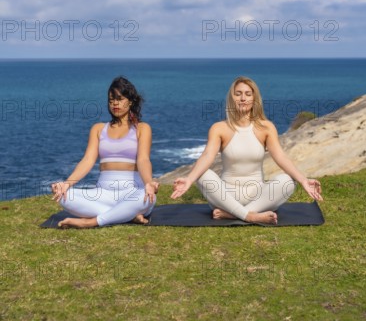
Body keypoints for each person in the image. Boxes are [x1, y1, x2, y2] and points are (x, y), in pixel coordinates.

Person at [171, 76, 323, 225]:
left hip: (258, 197)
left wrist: (303, 180)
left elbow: (281, 157)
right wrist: (189, 180)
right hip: (225, 197)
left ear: (254, 99)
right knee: (202, 174)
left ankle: (233, 215)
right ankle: (250, 216)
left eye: (248, 94)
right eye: (238, 94)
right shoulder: (219, 128)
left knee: (288, 181)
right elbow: (207, 156)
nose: (243, 98)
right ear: (232, 99)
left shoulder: (266, 127)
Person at [51, 76, 158, 228]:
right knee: (63, 196)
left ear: (131, 101)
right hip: (102, 195)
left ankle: (92, 222)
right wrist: (66, 184)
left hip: (132, 193)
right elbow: (88, 160)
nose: (115, 103)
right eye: (111, 99)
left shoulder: (142, 128)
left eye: (119, 99)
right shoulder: (98, 129)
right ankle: (126, 215)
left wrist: (149, 184)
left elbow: (143, 160)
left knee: (147, 198)